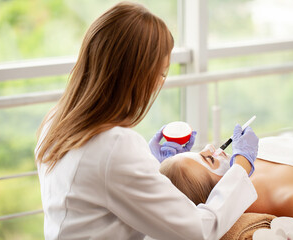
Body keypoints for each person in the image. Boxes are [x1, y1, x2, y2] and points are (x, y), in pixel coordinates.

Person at [35, 2, 259, 240]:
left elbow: (103, 189)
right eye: (161, 73)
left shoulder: (56, 119)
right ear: (136, 75)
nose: (159, 84)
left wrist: (152, 166)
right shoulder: (115, 145)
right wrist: (241, 167)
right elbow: (197, 231)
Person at [160, 95, 293, 218]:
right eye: (209, 159)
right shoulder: (287, 200)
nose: (210, 146)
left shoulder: (243, 161)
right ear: (220, 190)